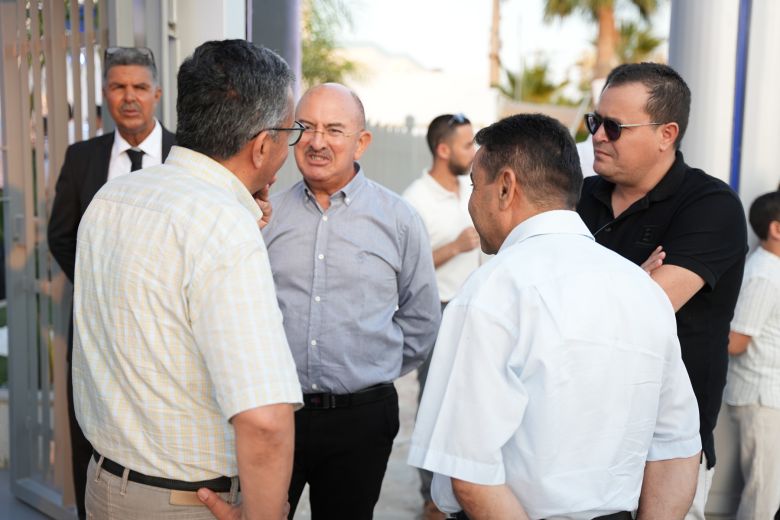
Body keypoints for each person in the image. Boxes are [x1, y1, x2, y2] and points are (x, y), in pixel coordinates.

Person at [408, 113, 702, 519]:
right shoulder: (641, 290)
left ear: (506, 187)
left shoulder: (491, 291)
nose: (471, 202)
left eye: (475, 185)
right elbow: (678, 445)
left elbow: (469, 473)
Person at [71, 40, 302, 519]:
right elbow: (264, 420)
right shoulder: (222, 228)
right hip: (188, 503)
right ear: (262, 144)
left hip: (105, 485)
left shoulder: (112, 197)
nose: (290, 144)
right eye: (290, 131)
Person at [576, 62, 747, 519]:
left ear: (666, 133)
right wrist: (635, 278)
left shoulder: (711, 206)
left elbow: (647, 311)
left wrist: (590, 287)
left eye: (614, 126)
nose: (598, 135)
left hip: (664, 447)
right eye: (595, 121)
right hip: (574, 431)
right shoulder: (576, 196)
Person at [262, 82, 441, 519]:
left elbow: (422, 318)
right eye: (305, 127)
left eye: (334, 129)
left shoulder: (398, 219)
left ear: (361, 141)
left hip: (361, 419)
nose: (317, 141)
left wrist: (371, 371)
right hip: (276, 415)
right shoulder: (266, 216)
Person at [47, 45, 175, 520]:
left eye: (139, 87)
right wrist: (103, 290)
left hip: (167, 333)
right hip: (95, 333)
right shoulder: (82, 158)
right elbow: (60, 235)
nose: (129, 97)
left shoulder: (187, 154)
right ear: (105, 94)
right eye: (119, 87)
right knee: (91, 437)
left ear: (157, 93)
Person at [402, 113, 480, 520]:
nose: (474, 152)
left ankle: (462, 493)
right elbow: (405, 268)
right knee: (436, 405)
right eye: (467, 145)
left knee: (470, 405)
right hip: (435, 314)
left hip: (474, 312)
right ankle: (431, 498)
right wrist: (454, 246)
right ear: (443, 149)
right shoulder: (414, 199)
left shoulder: (473, 188)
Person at [724, 190, 780, 520]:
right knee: (764, 494)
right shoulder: (764, 274)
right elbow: (735, 341)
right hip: (760, 397)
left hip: (768, 395)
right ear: (776, 229)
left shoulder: (770, 270)